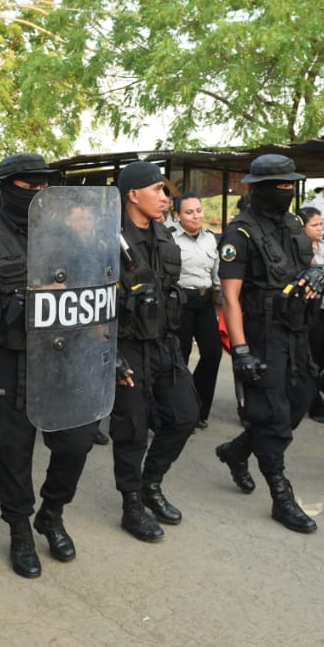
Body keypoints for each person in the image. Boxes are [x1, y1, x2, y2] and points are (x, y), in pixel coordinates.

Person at [0, 153, 97, 578]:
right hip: (6, 360)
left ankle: (51, 513)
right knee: (13, 454)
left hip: (61, 358)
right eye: (26, 184)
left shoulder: (63, 232)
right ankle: (19, 530)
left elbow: (86, 293)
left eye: (42, 184)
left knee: (77, 441)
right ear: (6, 186)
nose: (36, 191)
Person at [214, 155, 320, 533]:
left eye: (292, 184)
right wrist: (240, 350)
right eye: (280, 185)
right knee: (273, 416)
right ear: (258, 188)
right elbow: (230, 298)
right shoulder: (239, 233)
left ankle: (236, 450)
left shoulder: (292, 224)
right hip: (262, 334)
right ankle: (281, 494)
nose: (287, 191)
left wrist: (315, 274)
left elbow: (304, 266)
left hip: (297, 330)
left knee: (299, 402)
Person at [111, 161, 200, 542]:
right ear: (133, 195)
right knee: (132, 429)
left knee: (185, 415)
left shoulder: (165, 235)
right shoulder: (107, 239)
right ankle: (131, 502)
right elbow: (90, 302)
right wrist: (107, 352)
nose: (166, 199)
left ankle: (151, 482)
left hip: (165, 344)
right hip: (126, 347)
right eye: (158, 191)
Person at [171, 192, 223, 430]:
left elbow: (216, 275)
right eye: (189, 212)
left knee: (213, 353)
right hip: (180, 303)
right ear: (177, 215)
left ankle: (200, 408)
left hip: (204, 303)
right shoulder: (170, 239)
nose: (195, 216)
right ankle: (180, 413)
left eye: (199, 210)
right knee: (178, 359)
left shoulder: (211, 239)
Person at [298, 206, 324, 425]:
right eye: (314, 225)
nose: (320, 228)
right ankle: (313, 404)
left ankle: (309, 392)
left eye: (321, 224)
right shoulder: (299, 250)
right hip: (310, 310)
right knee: (311, 357)